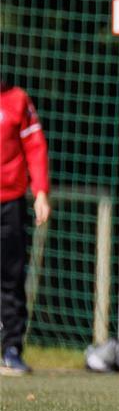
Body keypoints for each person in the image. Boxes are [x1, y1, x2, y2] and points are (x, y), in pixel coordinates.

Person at [0, 82, 52, 374]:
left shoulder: (17, 99)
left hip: (10, 202)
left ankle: (11, 348)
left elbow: (35, 146)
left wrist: (41, 191)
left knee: (11, 275)